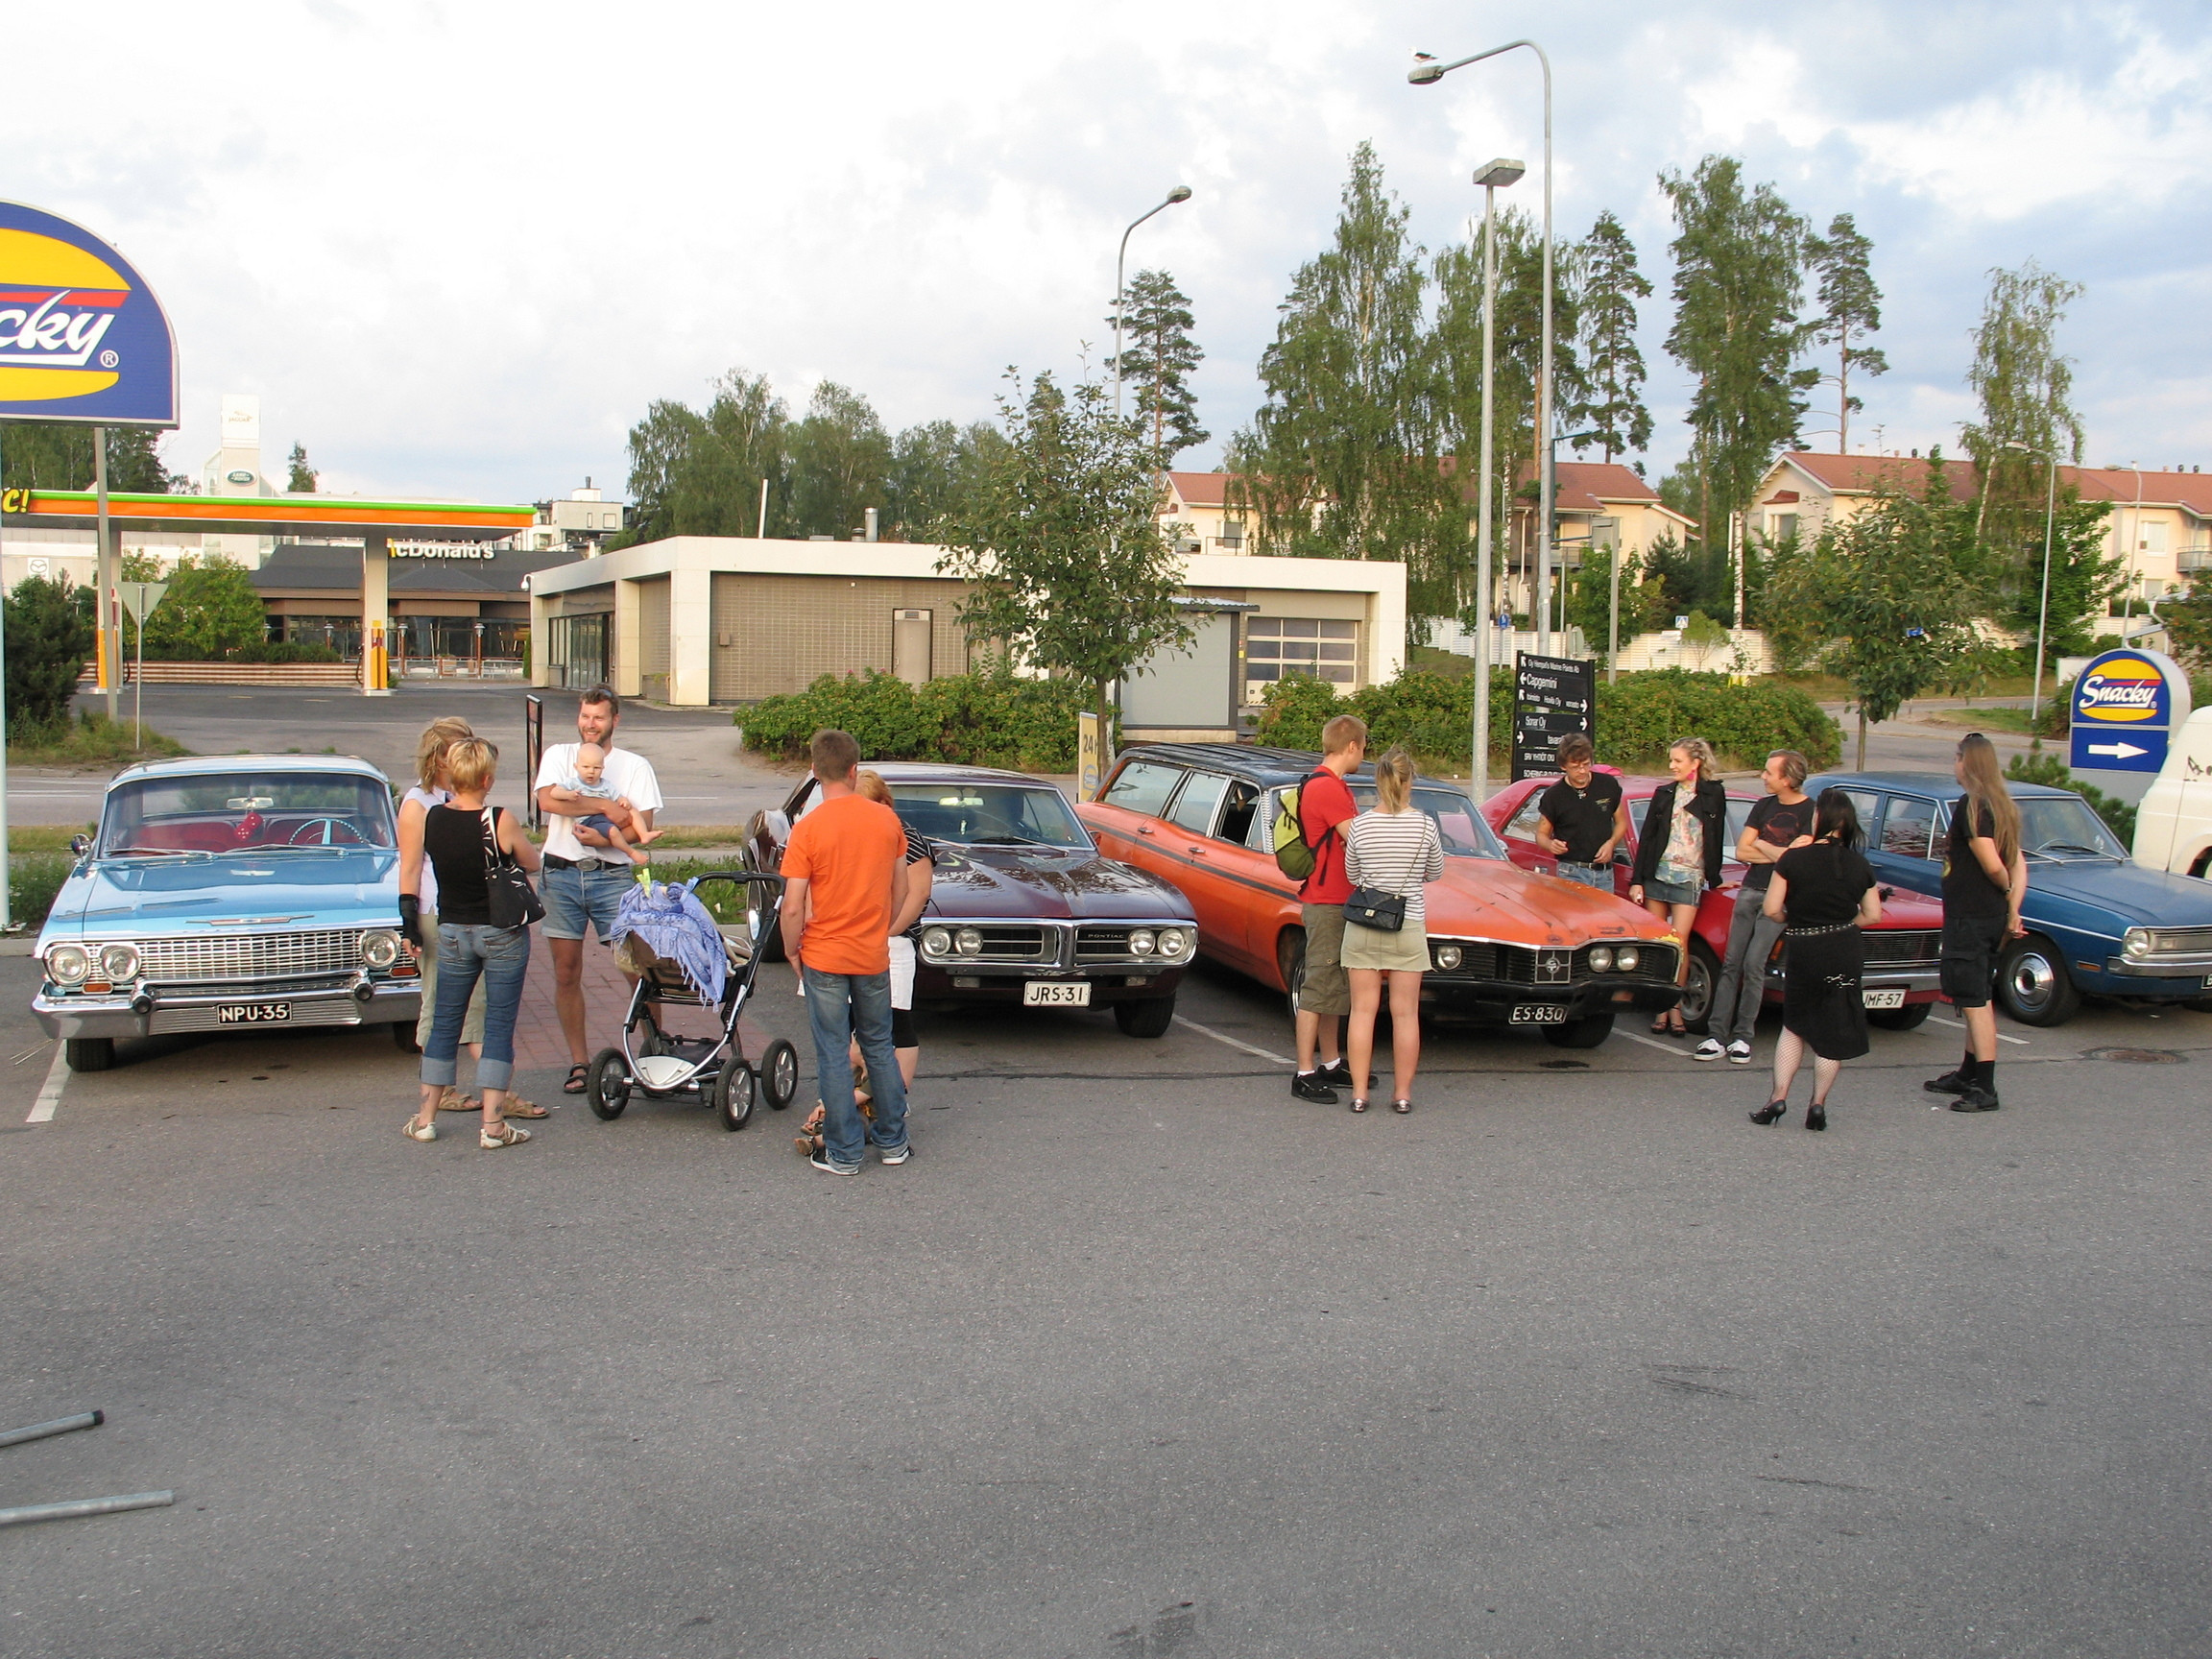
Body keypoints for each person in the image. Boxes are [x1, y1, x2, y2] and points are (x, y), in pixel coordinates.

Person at [396, 719, 546, 1122]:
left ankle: (430, 1109)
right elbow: (409, 867)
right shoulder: (422, 806)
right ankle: (492, 1108)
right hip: (442, 913)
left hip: (451, 919)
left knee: (453, 1011)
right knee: (465, 1012)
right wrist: (408, 920)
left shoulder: (441, 810)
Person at [780, 729, 911, 1175]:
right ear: (855, 770)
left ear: (815, 772)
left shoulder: (808, 828)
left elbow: (794, 903)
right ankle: (894, 1142)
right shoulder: (886, 822)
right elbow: (901, 887)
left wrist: (792, 949)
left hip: (824, 954)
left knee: (834, 1052)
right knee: (879, 1044)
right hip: (871, 953)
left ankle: (844, 1152)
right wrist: (879, 927)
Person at [535, 686, 664, 1096]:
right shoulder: (559, 755)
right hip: (561, 875)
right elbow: (547, 802)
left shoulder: (635, 765)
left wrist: (604, 838)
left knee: (636, 965)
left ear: (615, 721)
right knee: (567, 970)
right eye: (586, 716)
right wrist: (608, 808)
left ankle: (654, 1052)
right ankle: (579, 1062)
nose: (591, 725)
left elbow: (639, 824)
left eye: (599, 718)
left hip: (612, 877)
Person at [1752, 788, 1882, 1130]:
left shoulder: (1793, 861)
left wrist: (1792, 920)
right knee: (1833, 1027)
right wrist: (1842, 926)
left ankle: (1778, 1098)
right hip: (1844, 951)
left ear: (1819, 819)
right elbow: (1872, 914)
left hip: (1805, 949)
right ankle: (1818, 1104)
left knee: (1795, 1026)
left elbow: (1770, 909)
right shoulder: (1860, 864)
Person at [1925, 733, 2028, 1114]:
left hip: (1972, 915)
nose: (1954, 763)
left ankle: (1985, 1085)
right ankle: (1967, 1071)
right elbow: (2019, 860)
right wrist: (2013, 907)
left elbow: (1995, 864)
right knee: (1975, 992)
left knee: (1975, 1000)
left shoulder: (1973, 806)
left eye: (1957, 757)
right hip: (1988, 915)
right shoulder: (2003, 805)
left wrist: (2005, 888)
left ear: (1969, 763)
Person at [1340, 746, 1444, 1116]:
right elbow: (1435, 872)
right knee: (1404, 1014)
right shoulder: (1425, 825)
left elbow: (1353, 875)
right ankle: (1402, 1094)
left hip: (1364, 924)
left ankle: (1358, 1093)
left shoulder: (1361, 825)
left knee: (1362, 1012)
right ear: (1409, 781)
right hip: (1408, 924)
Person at [1695, 749, 1814, 1066]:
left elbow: (1800, 862)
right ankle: (1716, 1035)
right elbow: (1744, 849)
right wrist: (1776, 851)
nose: (1762, 776)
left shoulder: (1811, 812)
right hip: (1750, 890)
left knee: (1754, 964)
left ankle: (1742, 1036)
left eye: (1768, 772)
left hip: (1781, 898)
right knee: (1731, 962)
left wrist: (1764, 846)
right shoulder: (1763, 806)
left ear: (1786, 779)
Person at [1289, 713, 1366, 1104]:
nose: (1362, 755)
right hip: (1326, 899)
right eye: (1363, 747)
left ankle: (1331, 1061)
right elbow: (1355, 839)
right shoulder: (1329, 788)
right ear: (1351, 746)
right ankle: (1304, 1071)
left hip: (1335, 897)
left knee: (1333, 984)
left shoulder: (1328, 783)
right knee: (1318, 985)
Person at [1628, 736, 1727, 1037]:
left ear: (1695, 763)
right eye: (1671, 761)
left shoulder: (1713, 793)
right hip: (1657, 874)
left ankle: (1675, 1006)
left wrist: (1717, 876)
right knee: (1661, 943)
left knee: (1680, 943)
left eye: (1678, 761)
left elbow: (1717, 835)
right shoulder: (1664, 793)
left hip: (1689, 876)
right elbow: (1648, 838)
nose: (1671, 766)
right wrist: (1637, 880)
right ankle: (1661, 1008)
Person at [849, 768, 933, 1103]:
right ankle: (860, 1091)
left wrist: (890, 930)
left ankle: (896, 1098)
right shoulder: (852, 834)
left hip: (892, 940)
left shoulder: (909, 838)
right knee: (850, 1022)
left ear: (884, 803)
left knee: (896, 1021)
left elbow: (918, 893)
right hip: (853, 938)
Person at [1535, 733, 1628, 892]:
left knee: (1603, 916)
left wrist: (1611, 843)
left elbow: (1621, 822)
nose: (1582, 771)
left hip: (1604, 872)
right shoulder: (1554, 795)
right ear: (1564, 766)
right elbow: (1541, 835)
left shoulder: (1607, 785)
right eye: (1575, 767)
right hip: (1572, 870)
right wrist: (1551, 845)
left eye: (1586, 764)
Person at [562, 742, 663, 867]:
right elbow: (554, 792)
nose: (591, 772)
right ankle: (631, 852)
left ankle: (643, 834)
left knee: (633, 811)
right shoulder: (573, 783)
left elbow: (617, 797)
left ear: (602, 768)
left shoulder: (605, 785)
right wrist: (567, 795)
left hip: (606, 817)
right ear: (576, 767)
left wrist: (623, 801)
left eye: (596, 768)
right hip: (589, 820)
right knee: (613, 831)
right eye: (586, 767)